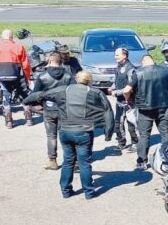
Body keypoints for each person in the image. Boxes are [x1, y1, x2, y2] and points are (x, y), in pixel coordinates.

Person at [24, 71, 113, 199]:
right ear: (90, 81)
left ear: (76, 79)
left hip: (65, 132)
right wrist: (108, 132)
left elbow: (40, 94)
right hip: (84, 132)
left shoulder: (62, 90)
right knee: (84, 163)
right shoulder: (95, 92)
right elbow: (107, 110)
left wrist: (26, 101)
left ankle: (65, 191)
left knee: (68, 161)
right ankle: (89, 192)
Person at [124, 55, 168, 172]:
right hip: (163, 106)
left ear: (143, 63)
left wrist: (128, 99)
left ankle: (142, 162)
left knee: (144, 135)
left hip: (145, 109)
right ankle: (167, 158)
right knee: (165, 133)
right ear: (153, 61)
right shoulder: (165, 71)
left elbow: (126, 90)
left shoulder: (138, 73)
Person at [32, 53, 75, 170]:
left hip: (49, 109)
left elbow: (36, 94)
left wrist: (38, 105)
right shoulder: (68, 75)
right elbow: (74, 91)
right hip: (65, 109)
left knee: (51, 136)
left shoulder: (42, 76)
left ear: (49, 62)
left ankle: (52, 161)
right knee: (67, 135)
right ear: (61, 62)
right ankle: (72, 162)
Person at [0, 29, 33, 129]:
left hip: (3, 77)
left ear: (2, 36)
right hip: (17, 76)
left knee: (6, 98)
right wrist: (27, 78)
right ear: (12, 37)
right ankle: (29, 119)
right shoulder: (19, 46)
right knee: (24, 96)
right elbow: (26, 64)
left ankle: (9, 121)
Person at [107, 47, 138, 153]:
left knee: (131, 124)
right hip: (120, 101)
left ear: (124, 56)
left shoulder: (131, 69)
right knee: (118, 123)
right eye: (115, 55)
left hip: (129, 102)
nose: (115, 57)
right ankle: (121, 142)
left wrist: (116, 92)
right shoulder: (118, 66)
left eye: (117, 55)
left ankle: (135, 143)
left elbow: (130, 87)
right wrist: (112, 87)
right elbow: (117, 81)